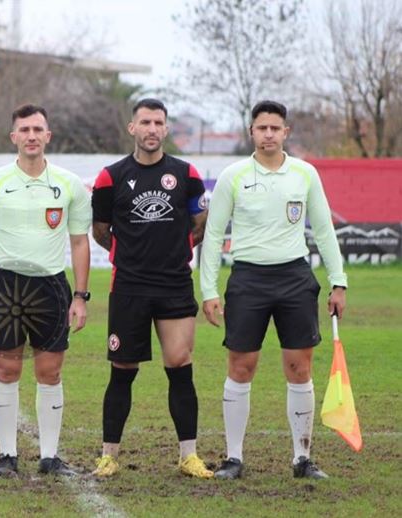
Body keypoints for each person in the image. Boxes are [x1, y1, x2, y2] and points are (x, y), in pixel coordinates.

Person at [201, 100, 347, 480]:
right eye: (262, 128)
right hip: (247, 279)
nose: (268, 134)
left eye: (275, 128)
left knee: (299, 367)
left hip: (295, 278)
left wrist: (339, 281)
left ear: (286, 132)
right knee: (241, 365)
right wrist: (209, 290)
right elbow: (213, 235)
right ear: (251, 132)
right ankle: (233, 458)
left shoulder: (305, 173)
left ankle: (302, 458)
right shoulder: (233, 175)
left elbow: (324, 230)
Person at [90, 98, 212, 479]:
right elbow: (100, 231)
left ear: (166, 128)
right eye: (145, 122)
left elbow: (200, 223)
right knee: (122, 370)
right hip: (129, 285)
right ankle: (108, 456)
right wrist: (128, 253)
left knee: (179, 364)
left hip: (174, 284)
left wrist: (176, 251)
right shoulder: (110, 177)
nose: (152, 129)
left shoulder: (186, 173)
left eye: (159, 123)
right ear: (133, 128)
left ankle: (189, 456)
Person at [0, 104, 91, 478]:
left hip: (51, 286)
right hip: (6, 286)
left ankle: (49, 457)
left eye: (38, 129)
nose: (32, 136)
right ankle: (7, 456)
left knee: (49, 371)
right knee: (6, 369)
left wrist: (80, 296)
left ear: (48, 136)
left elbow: (80, 242)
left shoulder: (69, 184)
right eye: (25, 130)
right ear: (14, 137)